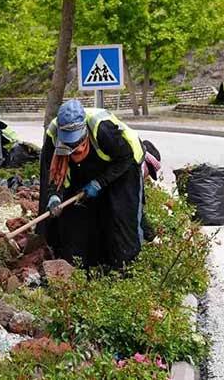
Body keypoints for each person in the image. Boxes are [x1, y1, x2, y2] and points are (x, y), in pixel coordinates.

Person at [37, 99, 145, 271]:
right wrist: (54, 196)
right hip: (88, 165)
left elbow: (125, 158)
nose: (74, 148)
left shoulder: (102, 130)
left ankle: (125, 268)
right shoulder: (53, 135)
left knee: (121, 216)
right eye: (69, 145)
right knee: (75, 215)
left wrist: (99, 183)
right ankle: (87, 266)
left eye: (77, 144)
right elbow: (53, 174)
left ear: (84, 131)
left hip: (124, 162)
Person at [140, 140, 162, 243]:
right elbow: (135, 209)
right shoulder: (134, 173)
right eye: (150, 172)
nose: (147, 176)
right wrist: (152, 237)